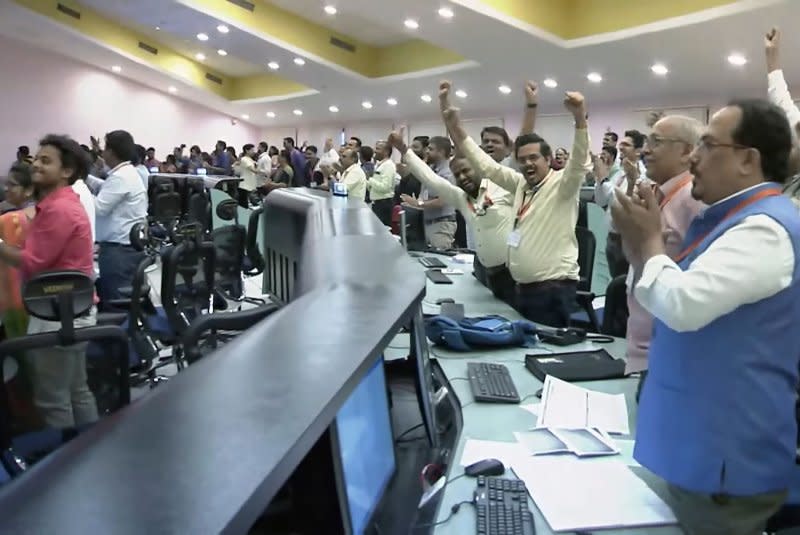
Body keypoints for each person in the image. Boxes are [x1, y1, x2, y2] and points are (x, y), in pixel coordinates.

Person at [612, 99, 800, 535]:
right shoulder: (734, 221)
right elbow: (675, 289)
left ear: (747, 160)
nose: (693, 156)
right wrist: (642, 247)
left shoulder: (765, 230)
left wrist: (652, 241)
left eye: (708, 145)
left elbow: (682, 306)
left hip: (725, 462)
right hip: (702, 445)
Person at [442, 80, 591, 327]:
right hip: (524, 289)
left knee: (546, 355)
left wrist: (579, 118)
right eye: (522, 160)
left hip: (552, 291)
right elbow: (487, 166)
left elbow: (577, 160)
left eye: (534, 158)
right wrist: (456, 129)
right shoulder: (521, 184)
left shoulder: (563, 185)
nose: (528, 164)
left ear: (548, 159)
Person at [0, 135, 98, 428]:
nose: (37, 165)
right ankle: (86, 453)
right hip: (70, 309)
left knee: (53, 399)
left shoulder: (59, 210)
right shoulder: (59, 204)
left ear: (66, 171)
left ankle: (63, 467)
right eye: (37, 159)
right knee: (76, 391)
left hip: (58, 313)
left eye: (46, 161)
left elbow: (32, 262)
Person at [611, 116, 705, 380]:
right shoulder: (655, 193)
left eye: (657, 142)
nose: (645, 150)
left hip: (667, 353)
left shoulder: (693, 200)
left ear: (687, 151)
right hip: (642, 345)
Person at [389, 130, 516, 303]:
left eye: (466, 171)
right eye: (457, 175)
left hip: (509, 272)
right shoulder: (462, 198)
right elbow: (432, 179)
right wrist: (404, 149)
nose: (462, 177)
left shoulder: (504, 189)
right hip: (481, 267)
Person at [85, 130, 148, 307]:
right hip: (127, 246)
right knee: (124, 298)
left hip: (119, 250)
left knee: (116, 301)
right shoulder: (126, 173)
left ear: (112, 152)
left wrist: (80, 191)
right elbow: (106, 188)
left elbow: (99, 208)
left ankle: (118, 333)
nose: (102, 153)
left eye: (105, 149)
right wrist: (84, 178)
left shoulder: (121, 177)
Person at [400, 136, 458, 249]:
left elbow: (441, 201)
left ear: (441, 152)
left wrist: (418, 204)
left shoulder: (447, 173)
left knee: (441, 258)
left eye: (431, 149)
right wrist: (414, 204)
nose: (426, 151)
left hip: (441, 224)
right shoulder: (432, 169)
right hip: (429, 223)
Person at [0, 164, 36, 339]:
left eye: (12, 185)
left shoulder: (10, 220)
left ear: (29, 190)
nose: (6, 188)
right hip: (36, 296)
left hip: (13, 296)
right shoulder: (41, 214)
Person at [368, 141, 396, 226]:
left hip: (384, 204)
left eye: (378, 149)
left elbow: (385, 187)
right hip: (376, 203)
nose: (375, 151)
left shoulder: (388, 165)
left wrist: (369, 179)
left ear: (386, 152)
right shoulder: (378, 164)